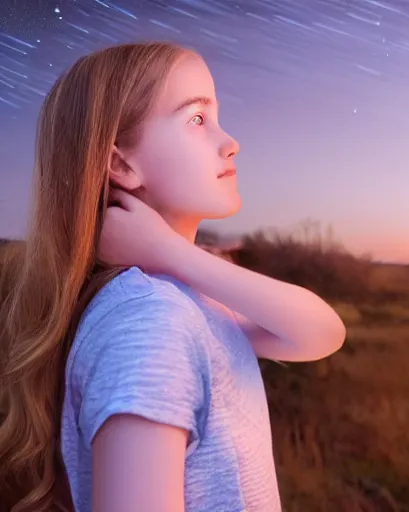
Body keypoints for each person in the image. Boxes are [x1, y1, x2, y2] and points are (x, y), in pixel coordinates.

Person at [0, 41, 346, 512]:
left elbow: (321, 332)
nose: (231, 142)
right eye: (197, 119)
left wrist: (173, 253)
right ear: (121, 164)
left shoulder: (186, 297)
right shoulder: (149, 322)